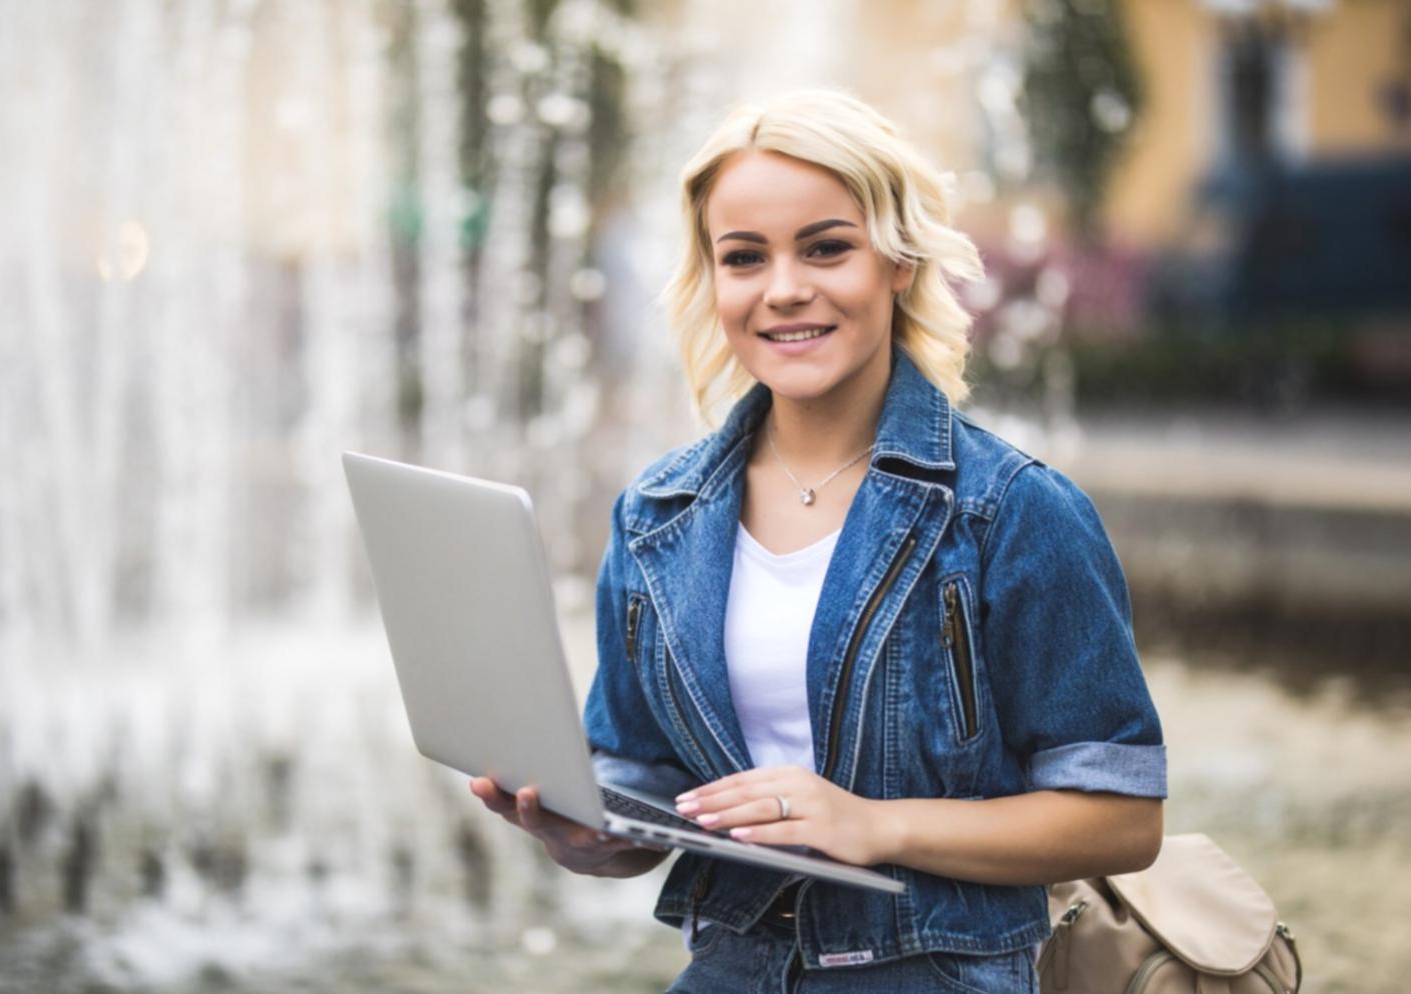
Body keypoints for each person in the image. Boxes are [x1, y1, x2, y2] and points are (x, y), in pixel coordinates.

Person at [471, 88, 1167, 993]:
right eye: (744, 257)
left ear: (899, 262)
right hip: (730, 969)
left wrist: (875, 824)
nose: (784, 288)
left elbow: (1122, 821)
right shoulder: (656, 514)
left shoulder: (1011, 510)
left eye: (827, 247)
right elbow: (638, 783)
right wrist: (589, 835)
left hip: (932, 974)